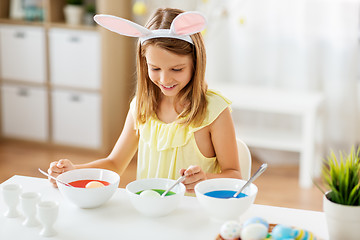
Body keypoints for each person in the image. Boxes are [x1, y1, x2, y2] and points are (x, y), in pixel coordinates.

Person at [48, 8, 242, 193]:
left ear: (195, 64)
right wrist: (74, 171)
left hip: (193, 216)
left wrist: (205, 179)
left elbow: (234, 175)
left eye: (177, 69)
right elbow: (115, 163)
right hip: (149, 213)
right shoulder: (141, 107)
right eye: (155, 69)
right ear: (144, 64)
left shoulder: (214, 111)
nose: (165, 80)